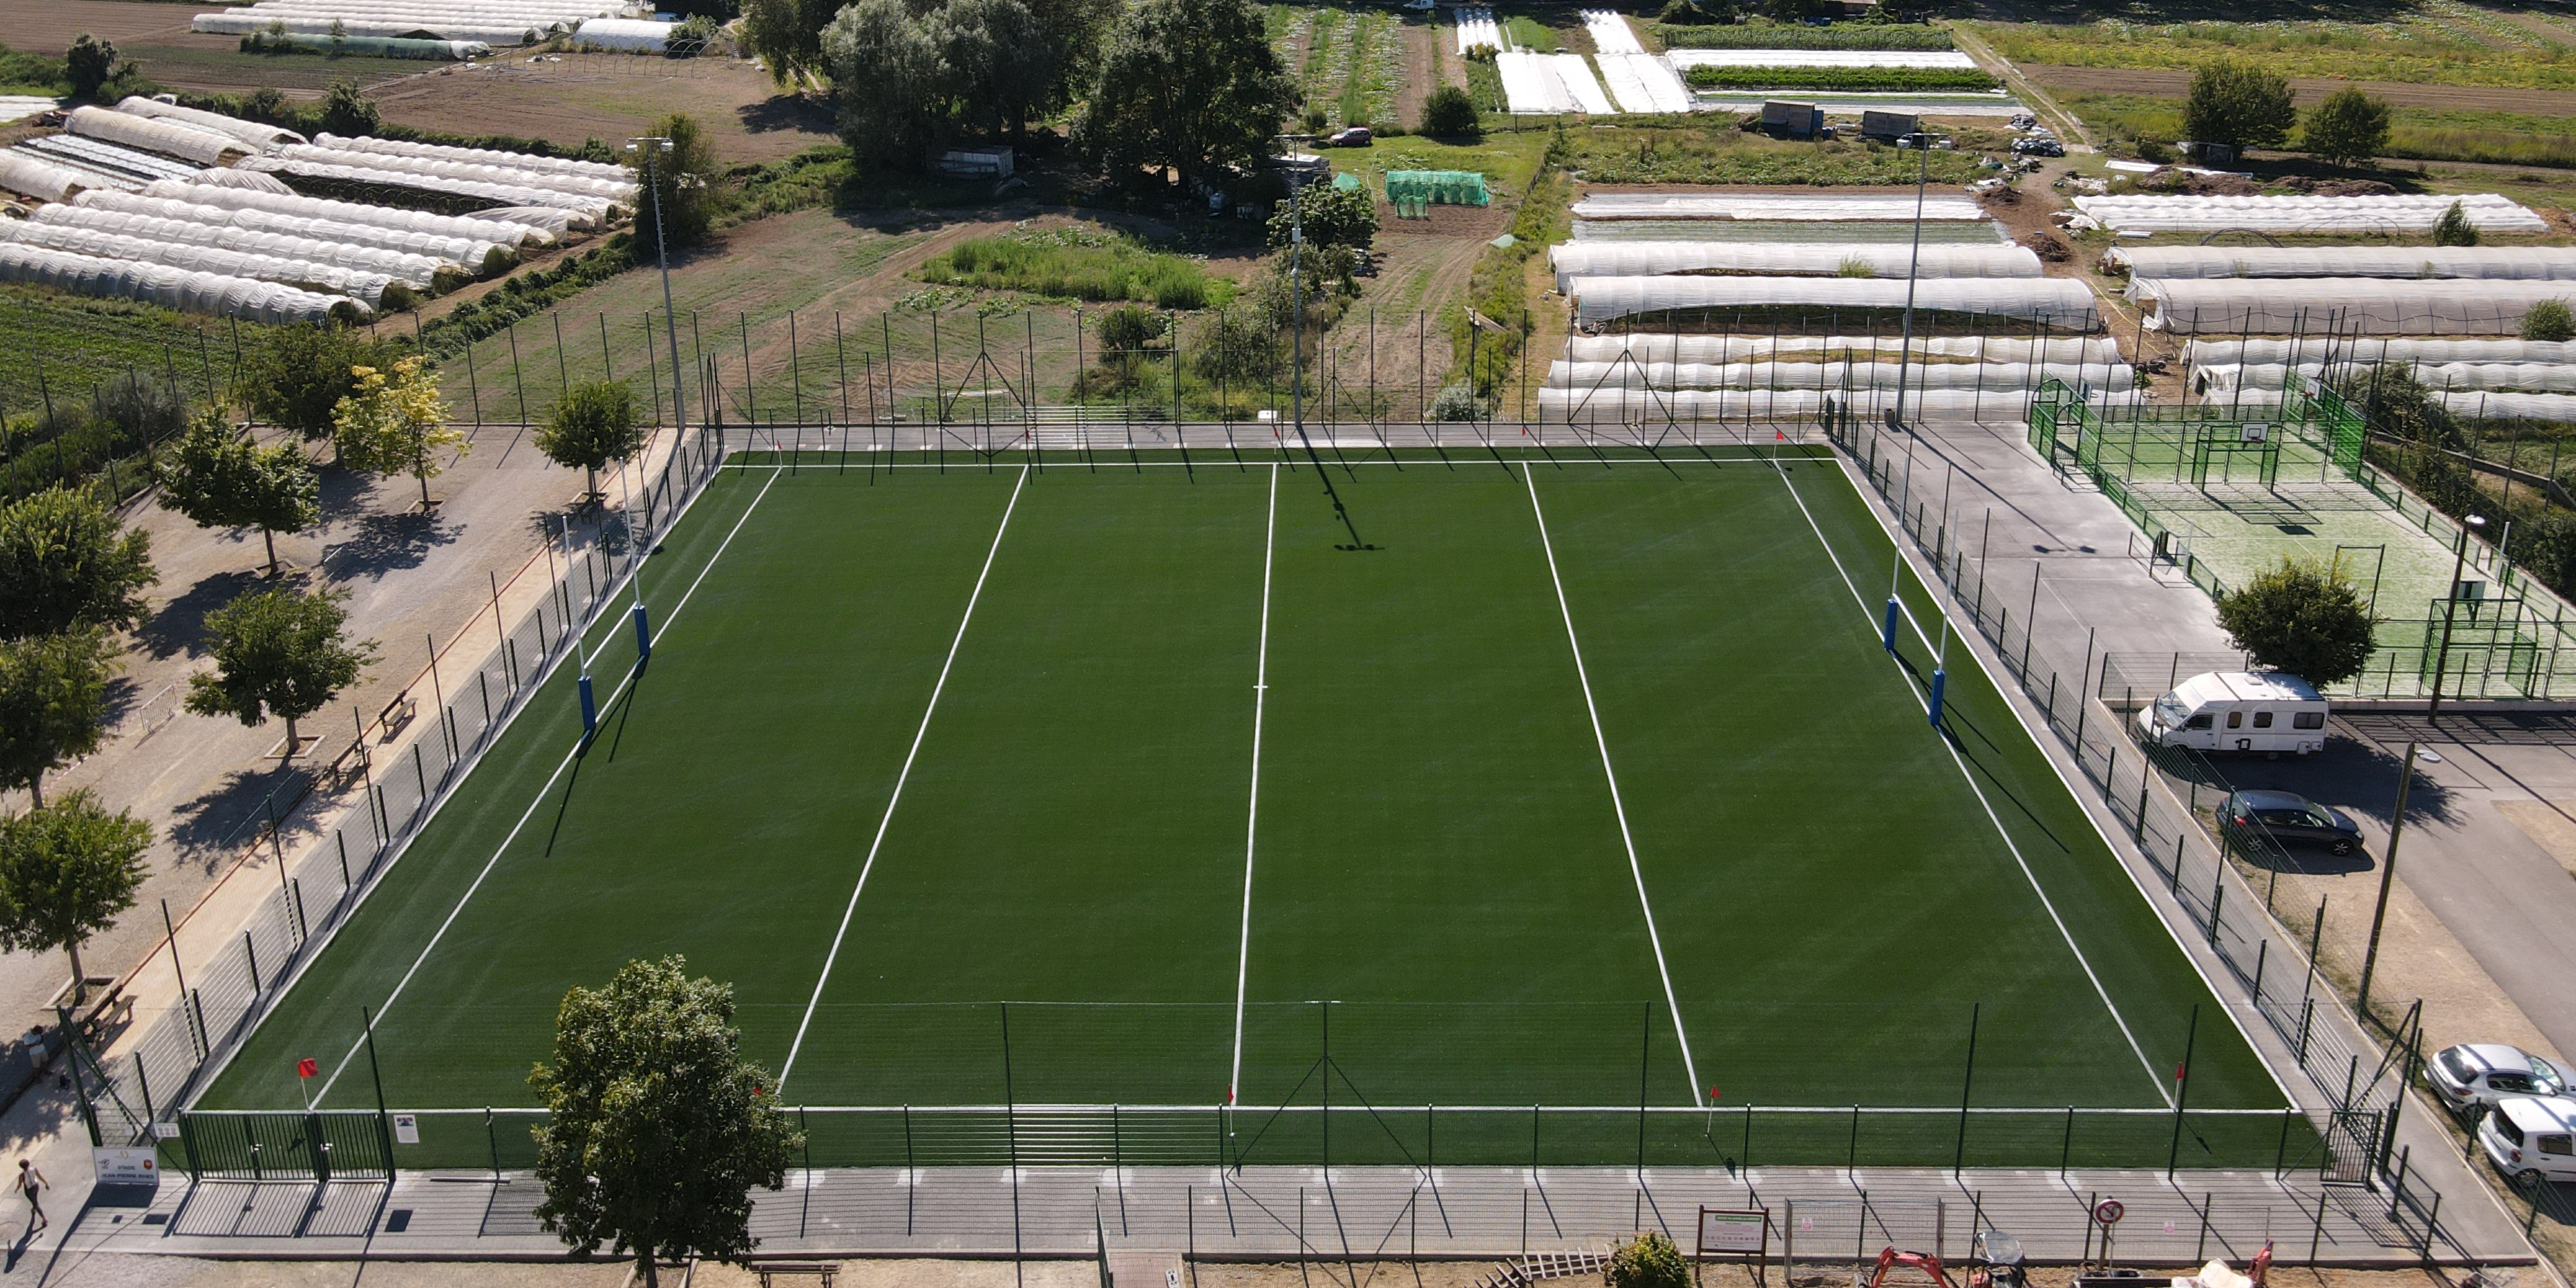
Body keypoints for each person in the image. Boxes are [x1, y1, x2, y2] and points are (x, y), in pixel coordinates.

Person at [16, 1160, 44, 1233]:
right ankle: (34, 1209)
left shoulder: (22, 1175)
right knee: (35, 1200)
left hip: (29, 1190)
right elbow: (40, 1176)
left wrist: (16, 1190)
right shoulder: (34, 1169)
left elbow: (20, 1184)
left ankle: (44, 1218)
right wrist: (46, 1183)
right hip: (36, 1186)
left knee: (35, 1203)